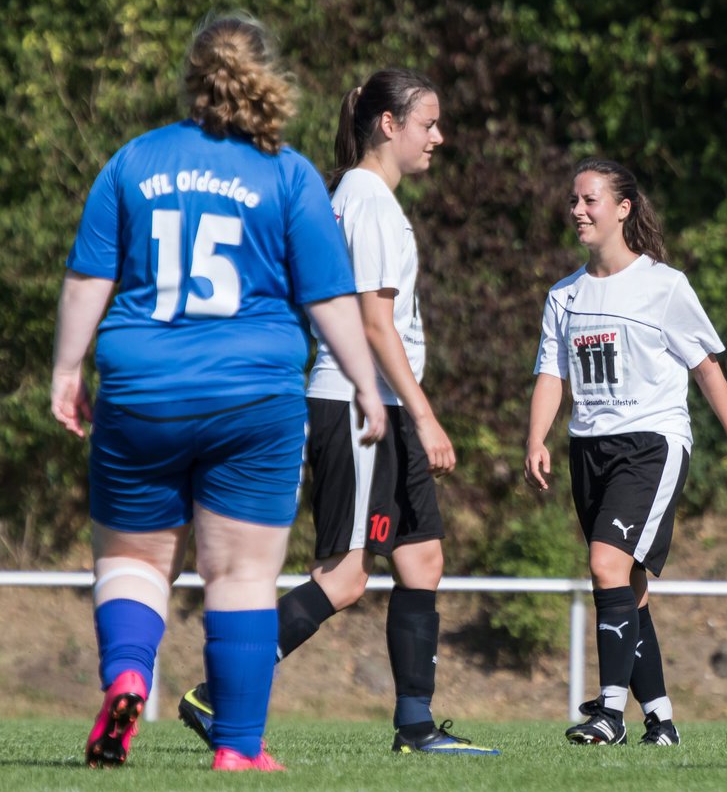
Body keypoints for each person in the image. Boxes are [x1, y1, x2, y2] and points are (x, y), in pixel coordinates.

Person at [52, 15, 387, 772]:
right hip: (253, 399)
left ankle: (130, 676)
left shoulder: (134, 161)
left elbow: (87, 280)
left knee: (133, 559)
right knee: (241, 574)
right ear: (267, 76)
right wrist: (367, 387)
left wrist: (66, 372)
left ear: (191, 77)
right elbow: (330, 298)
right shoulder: (288, 173)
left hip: (141, 390)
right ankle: (236, 749)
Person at [178, 68, 498, 756]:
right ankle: (215, 694)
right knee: (347, 575)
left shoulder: (366, 197)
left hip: (384, 406)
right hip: (357, 405)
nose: (438, 137)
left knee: (422, 559)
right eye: (428, 123)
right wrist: (427, 415)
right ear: (389, 125)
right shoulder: (368, 201)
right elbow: (376, 328)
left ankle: (415, 727)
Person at [525, 158, 727, 746]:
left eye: (590, 201)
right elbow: (551, 373)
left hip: (651, 445)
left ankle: (609, 712)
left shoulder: (665, 286)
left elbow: (707, 371)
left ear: (623, 209)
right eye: (574, 201)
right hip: (589, 449)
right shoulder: (566, 295)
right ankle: (660, 718)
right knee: (626, 586)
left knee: (606, 565)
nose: (577, 211)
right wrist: (536, 437)